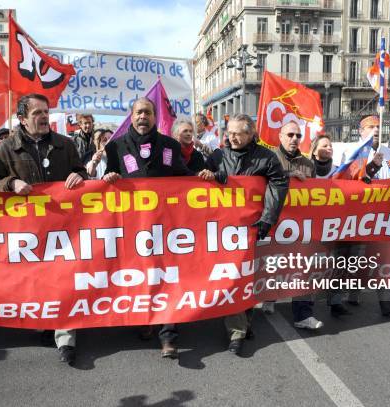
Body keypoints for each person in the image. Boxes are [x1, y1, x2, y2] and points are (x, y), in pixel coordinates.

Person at [0, 93, 88, 366]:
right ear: (22, 118)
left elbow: (82, 173)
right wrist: (10, 183)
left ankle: (66, 338)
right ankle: (45, 322)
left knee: (64, 278)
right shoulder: (4, 149)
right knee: (38, 280)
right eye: (37, 113)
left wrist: (79, 175)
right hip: (26, 230)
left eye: (46, 112)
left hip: (62, 226)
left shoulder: (65, 145)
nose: (44, 117)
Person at [103, 97, 193, 359]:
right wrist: (109, 177)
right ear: (131, 117)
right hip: (132, 226)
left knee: (166, 275)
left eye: (148, 112)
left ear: (155, 117)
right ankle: (145, 320)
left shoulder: (170, 145)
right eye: (139, 112)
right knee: (140, 275)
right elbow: (107, 178)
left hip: (166, 225)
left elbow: (183, 177)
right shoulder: (115, 147)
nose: (143, 117)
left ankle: (168, 334)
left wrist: (204, 178)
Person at [198, 114, 289, 355]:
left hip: (252, 226)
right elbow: (197, 185)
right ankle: (236, 332)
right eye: (230, 132)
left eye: (239, 132)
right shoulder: (217, 156)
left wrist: (267, 220)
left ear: (251, 134)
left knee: (248, 276)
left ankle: (244, 322)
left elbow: (278, 185)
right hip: (225, 230)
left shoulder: (267, 157)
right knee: (234, 276)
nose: (233, 137)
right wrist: (211, 176)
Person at [330, 114, 390, 318]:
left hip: (384, 217)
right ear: (361, 131)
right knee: (350, 259)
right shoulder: (352, 151)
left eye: (378, 126)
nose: (376, 130)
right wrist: (371, 167)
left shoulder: (389, 152)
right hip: (357, 217)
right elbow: (349, 181)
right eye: (370, 126)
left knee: (386, 259)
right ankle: (340, 299)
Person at [272, 122, 323, 330]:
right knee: (272, 266)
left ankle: (303, 314)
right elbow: (258, 183)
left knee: (303, 267)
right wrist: (287, 176)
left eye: (298, 135)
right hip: (274, 222)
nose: (294, 138)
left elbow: (315, 194)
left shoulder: (309, 165)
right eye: (290, 134)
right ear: (280, 136)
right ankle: (270, 295)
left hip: (299, 226)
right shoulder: (269, 158)